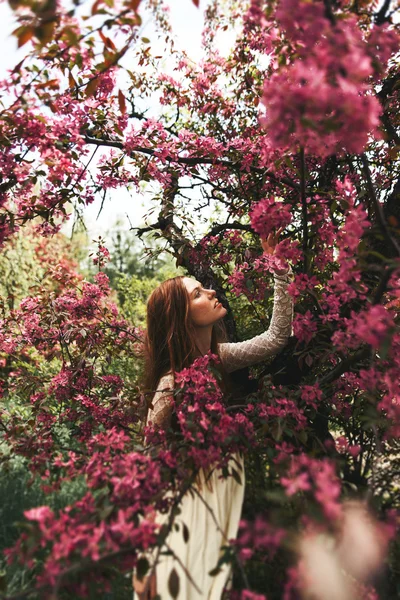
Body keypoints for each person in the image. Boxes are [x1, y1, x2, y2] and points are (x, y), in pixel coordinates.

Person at [134, 230, 294, 599]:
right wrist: (146, 562)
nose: (210, 292)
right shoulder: (170, 386)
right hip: (184, 510)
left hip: (219, 500)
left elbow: (276, 337)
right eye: (197, 294)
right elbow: (148, 469)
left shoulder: (220, 359)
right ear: (182, 316)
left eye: (205, 288)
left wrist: (279, 269)